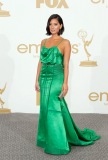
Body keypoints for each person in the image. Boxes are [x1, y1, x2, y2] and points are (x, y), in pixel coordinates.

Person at [35, 14, 101, 155]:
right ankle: (45, 138)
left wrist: (65, 83)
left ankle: (58, 145)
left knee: (54, 109)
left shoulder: (65, 43)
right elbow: (40, 61)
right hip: (44, 76)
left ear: (61, 26)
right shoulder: (43, 41)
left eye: (55, 24)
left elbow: (65, 64)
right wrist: (36, 79)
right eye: (50, 24)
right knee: (46, 108)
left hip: (57, 76)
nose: (52, 27)